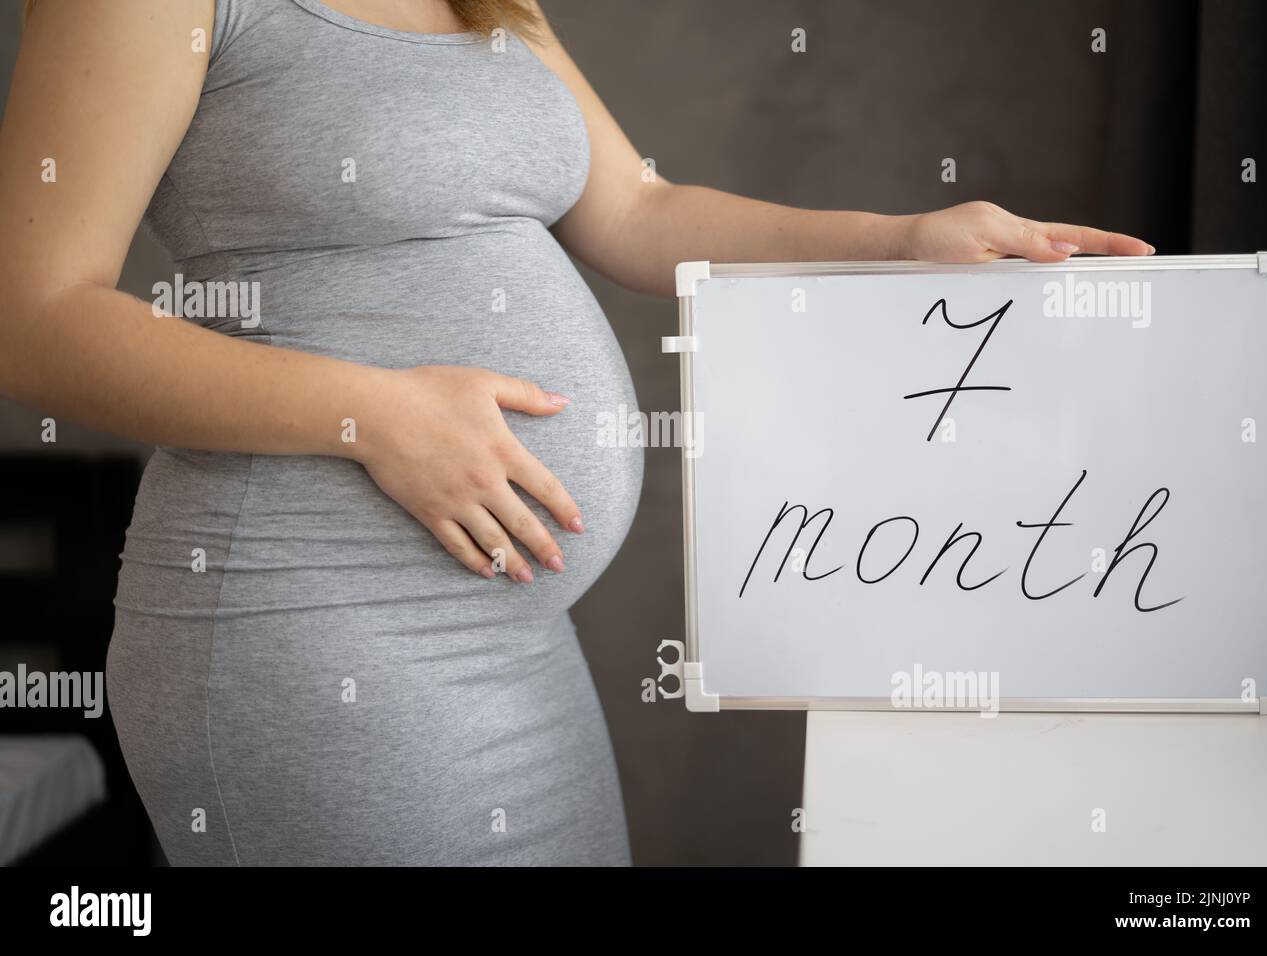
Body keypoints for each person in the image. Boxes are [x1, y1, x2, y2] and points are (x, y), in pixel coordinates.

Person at [0, 0, 1153, 865]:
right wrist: (374, 412)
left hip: (516, 637)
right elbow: (33, 320)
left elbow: (642, 211)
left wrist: (896, 240)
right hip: (305, 627)